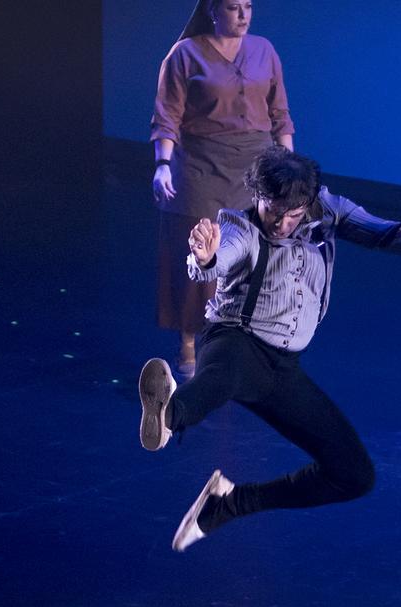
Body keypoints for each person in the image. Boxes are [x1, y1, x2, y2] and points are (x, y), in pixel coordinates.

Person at [137, 147, 401, 552]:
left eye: (295, 213)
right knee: (221, 376)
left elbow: (387, 235)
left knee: (354, 475)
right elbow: (219, 256)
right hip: (234, 338)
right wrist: (205, 255)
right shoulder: (239, 226)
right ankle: (168, 416)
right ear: (257, 197)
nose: (283, 223)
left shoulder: (328, 211)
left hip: (282, 367)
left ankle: (231, 502)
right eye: (274, 211)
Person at [151, 0, 295, 376]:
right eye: (234, 7)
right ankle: (188, 342)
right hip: (202, 166)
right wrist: (162, 166)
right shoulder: (185, 55)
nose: (244, 15)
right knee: (203, 253)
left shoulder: (264, 50)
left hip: (255, 167)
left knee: (251, 258)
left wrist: (290, 170)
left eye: (248, 6)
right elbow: (168, 114)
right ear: (213, 11)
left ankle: (241, 345)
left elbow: (280, 113)